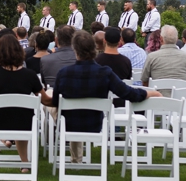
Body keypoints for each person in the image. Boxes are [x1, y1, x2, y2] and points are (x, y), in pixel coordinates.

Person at [49, 32, 148, 163]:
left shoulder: (64, 73)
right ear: (94, 48)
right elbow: (127, 93)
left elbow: (56, 102)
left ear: (75, 49)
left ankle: (74, 157)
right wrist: (148, 93)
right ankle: (76, 158)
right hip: (94, 124)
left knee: (51, 100)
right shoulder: (105, 73)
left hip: (68, 124)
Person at [0, 34, 50, 142]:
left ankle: (0, 142)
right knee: (22, 115)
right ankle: (22, 153)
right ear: (19, 51)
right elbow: (45, 100)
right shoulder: (30, 75)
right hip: (25, 124)